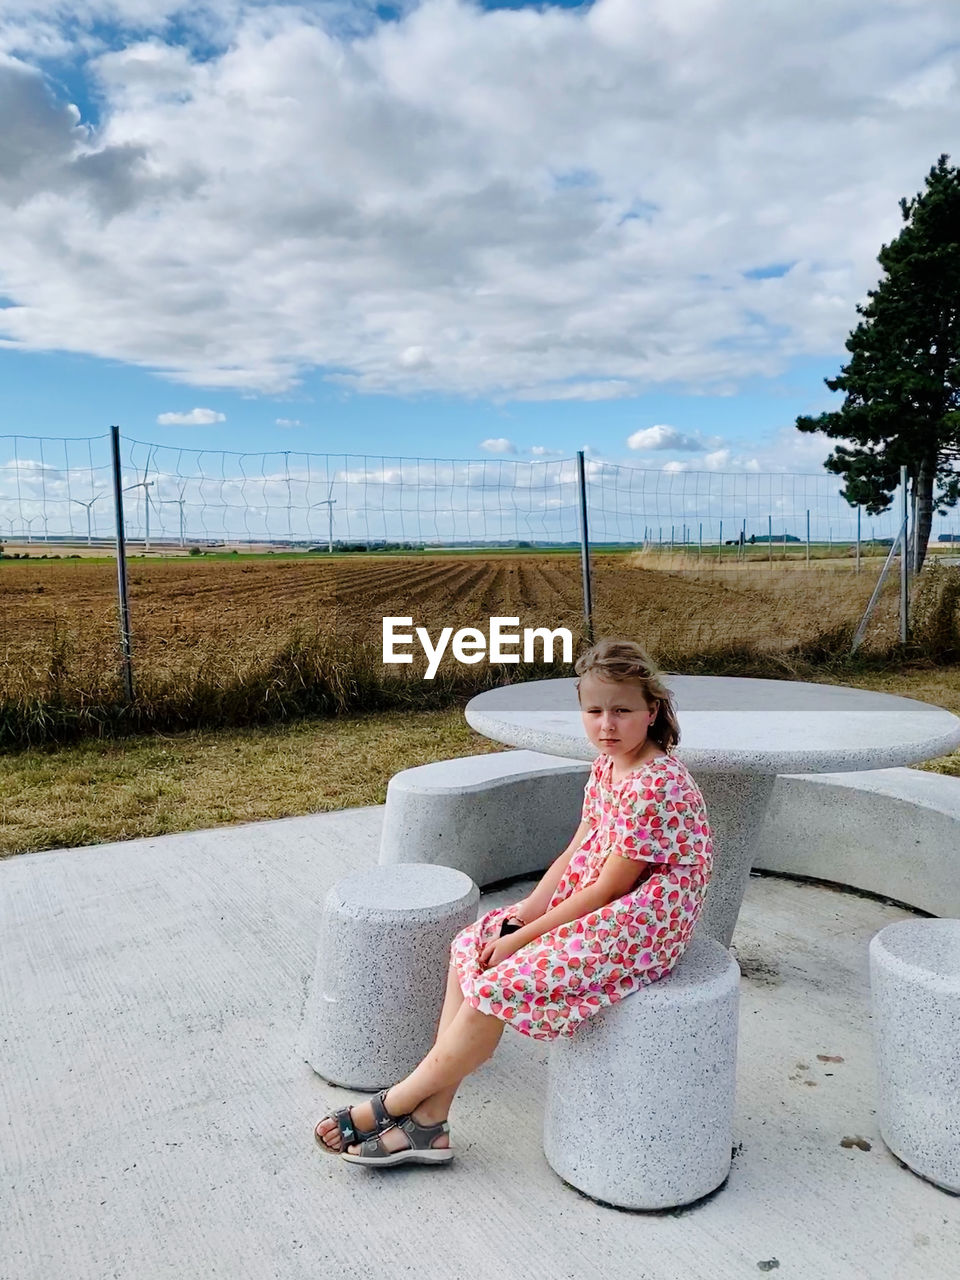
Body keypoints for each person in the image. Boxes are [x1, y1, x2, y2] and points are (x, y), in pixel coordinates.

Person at [314, 637, 714, 1167]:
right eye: (594, 711)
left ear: (652, 711)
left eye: (622, 711)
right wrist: (525, 912)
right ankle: (430, 1125)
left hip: (642, 921)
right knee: (473, 943)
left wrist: (527, 938)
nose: (607, 725)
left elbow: (613, 887)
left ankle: (396, 1102)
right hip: (598, 899)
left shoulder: (655, 783)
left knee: (501, 980)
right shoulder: (606, 766)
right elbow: (579, 849)